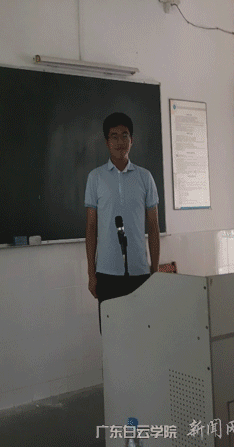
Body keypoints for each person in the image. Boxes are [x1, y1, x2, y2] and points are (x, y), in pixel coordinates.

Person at [84, 112, 160, 333]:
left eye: (124, 135)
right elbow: (91, 228)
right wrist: (91, 274)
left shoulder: (145, 177)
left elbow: (153, 227)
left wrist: (155, 271)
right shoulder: (95, 178)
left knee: (141, 334)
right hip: (106, 273)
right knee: (112, 336)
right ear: (106, 142)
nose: (120, 141)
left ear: (132, 140)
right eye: (114, 136)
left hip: (139, 272)